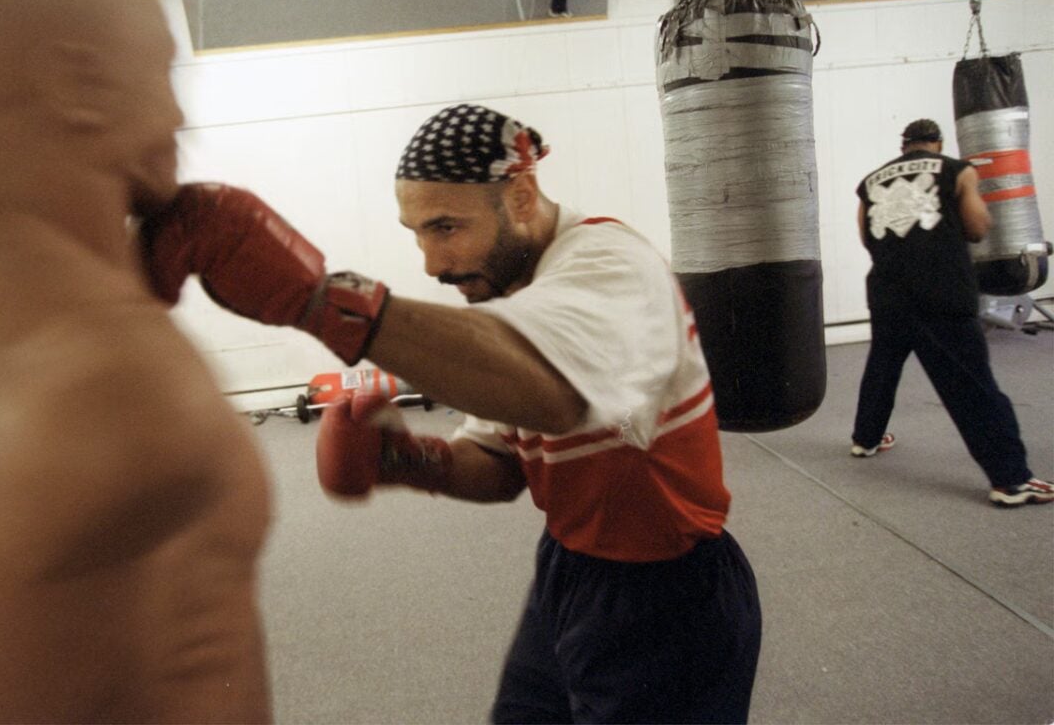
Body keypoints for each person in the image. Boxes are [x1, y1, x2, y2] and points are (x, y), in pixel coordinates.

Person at [141, 103, 762, 723]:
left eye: (445, 228)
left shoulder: (609, 264)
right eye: (417, 233)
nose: (432, 265)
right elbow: (498, 467)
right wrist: (410, 460)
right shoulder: (508, 300)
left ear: (520, 196)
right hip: (570, 573)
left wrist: (318, 301)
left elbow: (552, 393)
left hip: (670, 593)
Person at [0, 0, 271, 720]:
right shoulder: (122, 373)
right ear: (76, 82)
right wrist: (324, 307)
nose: (180, 115)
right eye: (161, 70)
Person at [851, 118, 1053, 507]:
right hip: (940, 294)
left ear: (904, 145)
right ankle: (1012, 481)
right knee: (973, 387)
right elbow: (977, 227)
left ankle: (866, 439)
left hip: (888, 293)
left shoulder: (871, 180)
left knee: (882, 366)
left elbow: (865, 235)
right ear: (938, 143)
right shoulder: (958, 171)